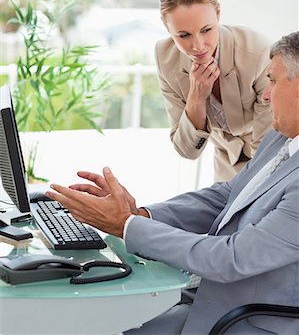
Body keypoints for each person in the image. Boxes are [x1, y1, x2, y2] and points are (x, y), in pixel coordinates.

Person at [47, 32, 299, 335]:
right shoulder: (281, 139)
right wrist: (141, 215)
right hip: (200, 297)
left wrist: (125, 225)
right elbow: (227, 196)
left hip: (238, 321)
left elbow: (231, 257)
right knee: (81, 319)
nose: (266, 95)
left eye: (272, 80)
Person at [155, 0, 273, 181]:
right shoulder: (165, 58)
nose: (198, 45)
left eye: (206, 30)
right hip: (225, 159)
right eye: (184, 35)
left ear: (218, 13)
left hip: (267, 157)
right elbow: (187, 151)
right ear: (167, 27)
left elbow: (268, 143)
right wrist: (196, 98)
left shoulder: (257, 52)